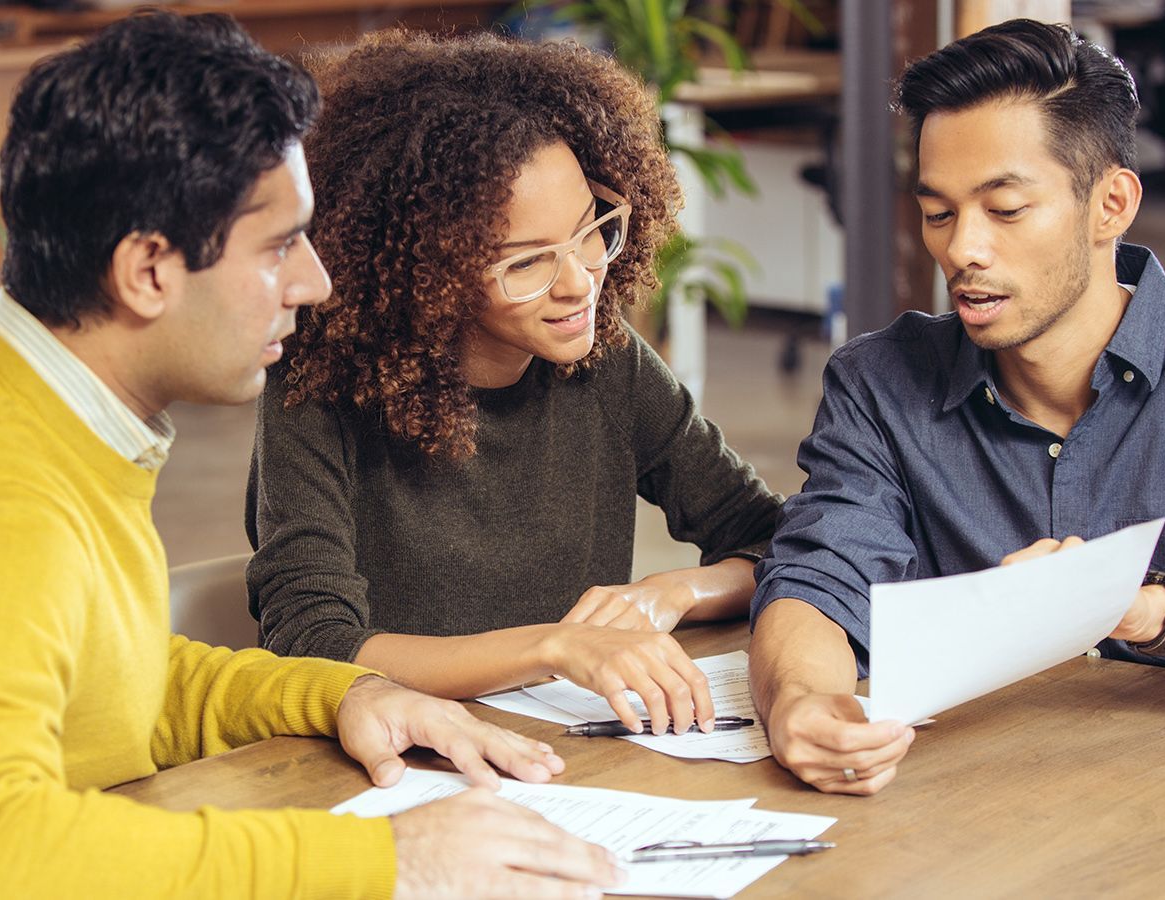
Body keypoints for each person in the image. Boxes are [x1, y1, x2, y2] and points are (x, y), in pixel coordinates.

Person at [0, 13, 624, 898]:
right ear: (148, 271)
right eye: (280, 245)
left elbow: (113, 679)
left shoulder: (35, 412)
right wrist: (388, 862)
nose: (315, 284)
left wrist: (342, 695)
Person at [749, 18, 1165, 797]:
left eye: (1004, 210)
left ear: (1111, 204)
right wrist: (801, 704)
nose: (963, 250)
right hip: (977, 817)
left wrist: (1133, 608)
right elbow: (816, 582)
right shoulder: (880, 384)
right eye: (939, 213)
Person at [247, 31, 781, 737]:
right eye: (525, 264)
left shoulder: (605, 362)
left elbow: (776, 539)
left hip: (562, 750)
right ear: (426, 276)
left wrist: (672, 592)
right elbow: (313, 646)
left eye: (591, 229)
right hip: (397, 761)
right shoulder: (321, 385)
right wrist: (554, 647)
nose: (579, 283)